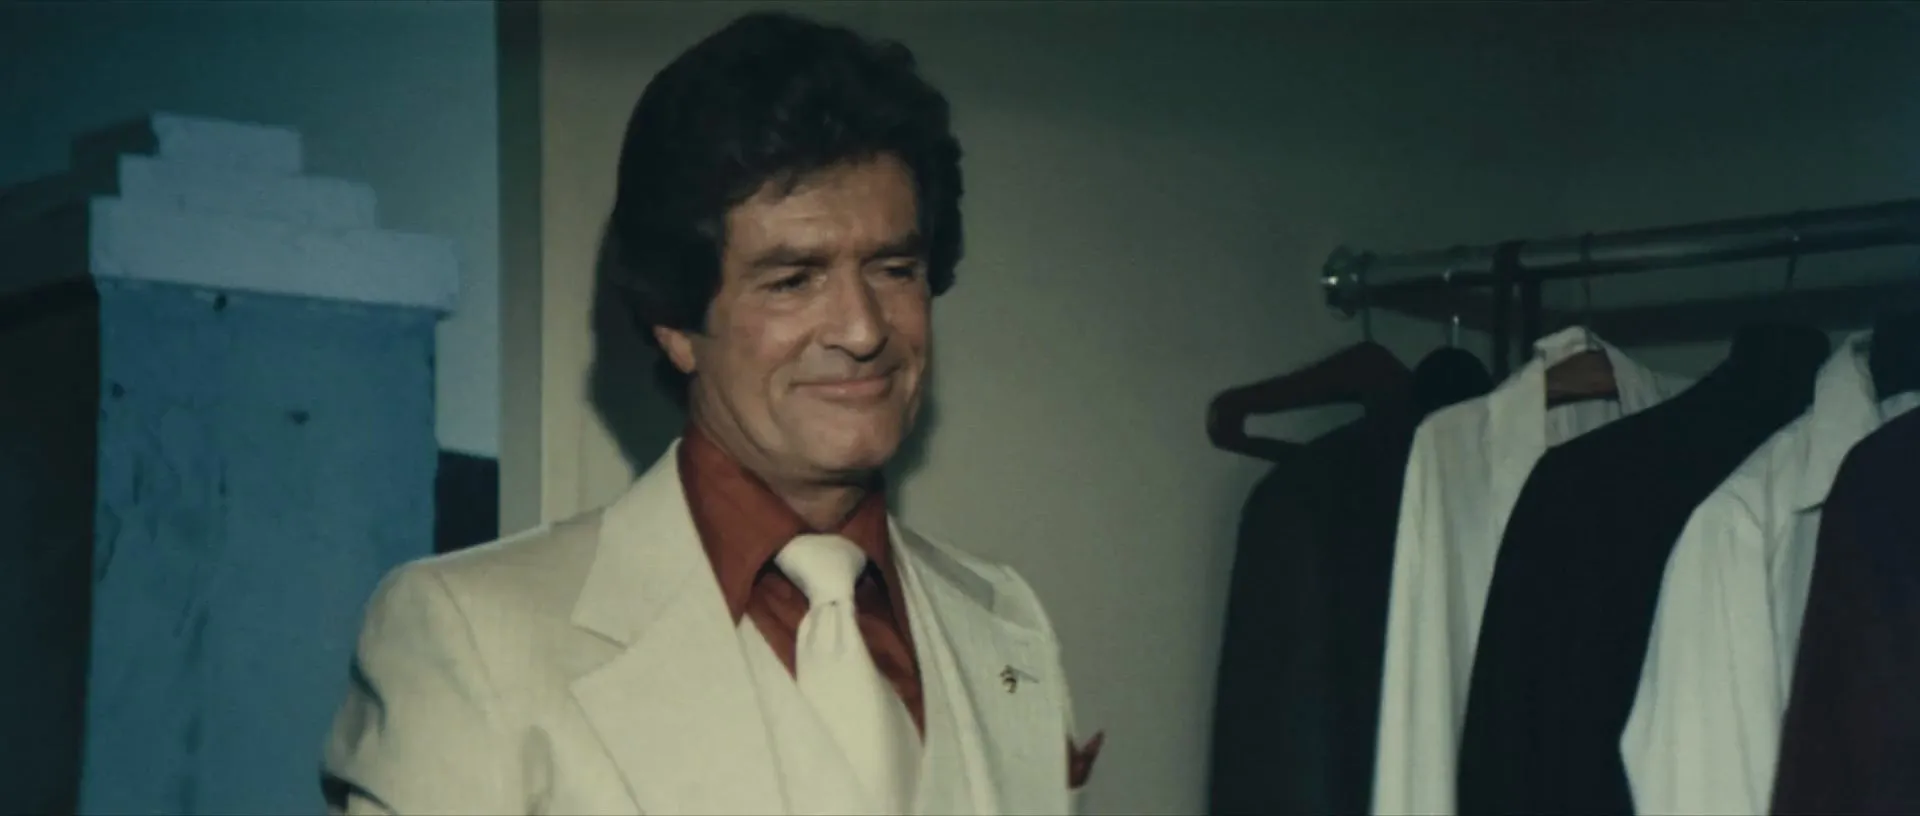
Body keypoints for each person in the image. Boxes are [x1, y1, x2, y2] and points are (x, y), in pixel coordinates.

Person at [320, 11, 1095, 815]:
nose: (864, 330)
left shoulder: (1002, 621)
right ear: (676, 324)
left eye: (893, 269)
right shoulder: (471, 636)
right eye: (793, 280)